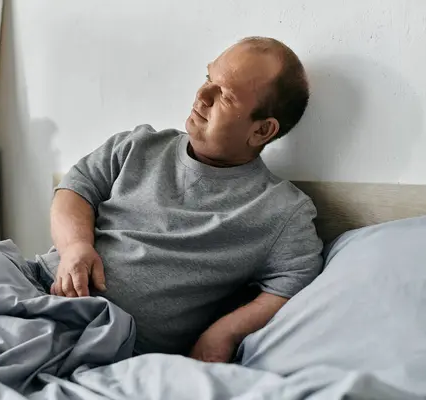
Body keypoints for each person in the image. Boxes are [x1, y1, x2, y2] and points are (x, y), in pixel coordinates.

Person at [33, 36, 323, 362]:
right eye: (208, 78)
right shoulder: (138, 145)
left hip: (101, 337)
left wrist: (223, 333)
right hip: (36, 285)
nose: (201, 96)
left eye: (224, 96)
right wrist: (75, 247)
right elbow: (75, 188)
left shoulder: (278, 211)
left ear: (262, 131)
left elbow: (295, 279)